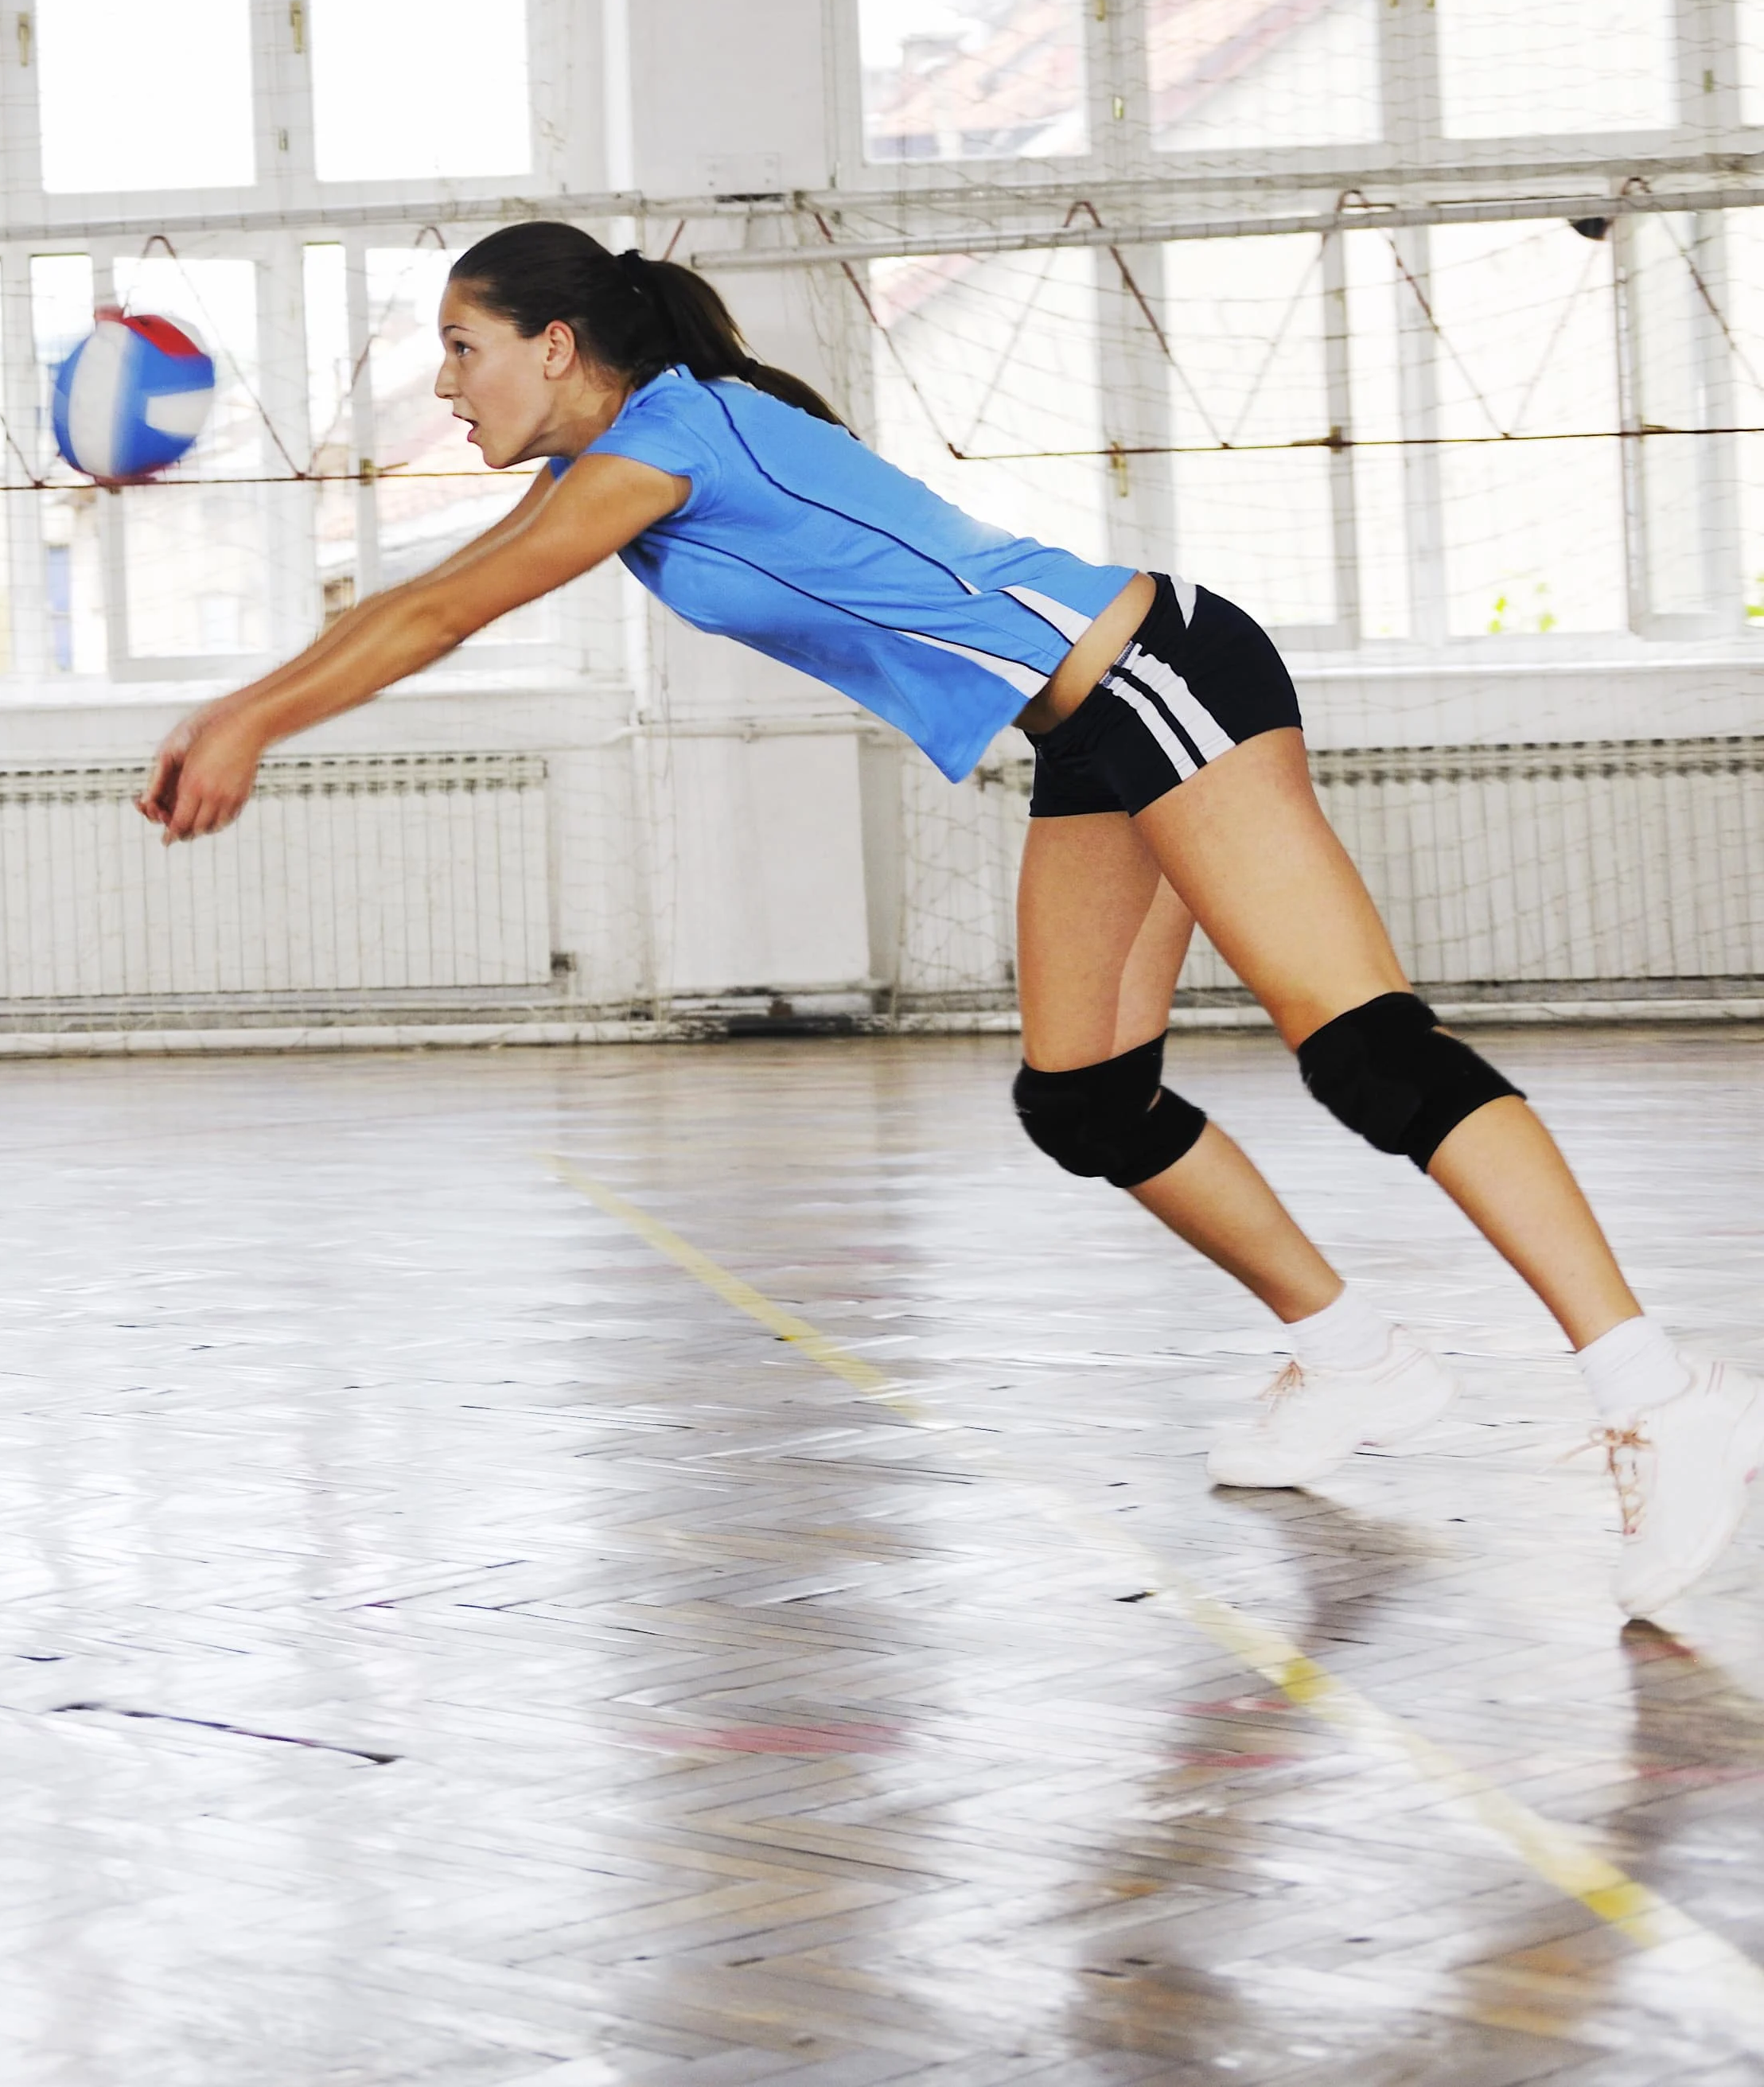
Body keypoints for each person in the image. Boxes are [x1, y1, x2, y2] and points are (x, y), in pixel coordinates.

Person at [136, 220, 1759, 1623]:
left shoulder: (669, 443)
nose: (444, 382)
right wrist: (247, 702)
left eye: (462, 347)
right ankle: (1353, 1355)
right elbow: (425, 590)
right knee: (1086, 1099)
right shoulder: (612, 465)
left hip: (1157, 674)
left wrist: (251, 727)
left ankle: (1659, 1391)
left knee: (1365, 1054)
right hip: (1090, 730)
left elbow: (441, 611)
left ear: (559, 347)